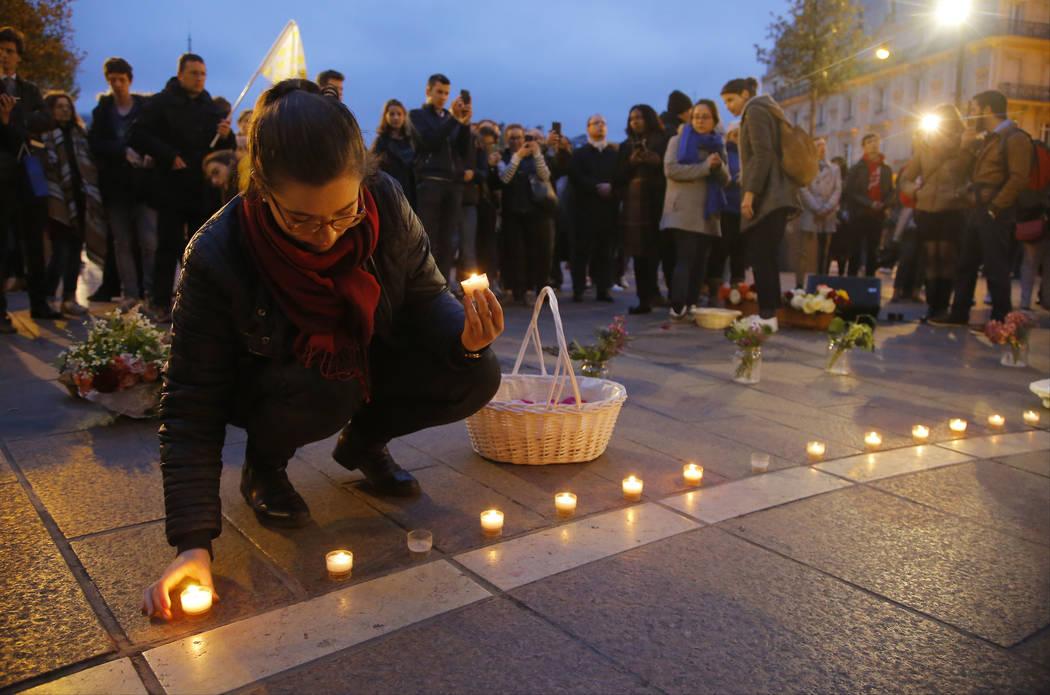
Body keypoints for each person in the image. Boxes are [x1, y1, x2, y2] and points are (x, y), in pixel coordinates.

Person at [141, 80, 503, 621]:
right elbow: (191, 398)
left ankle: (363, 441)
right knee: (328, 386)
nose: (328, 236)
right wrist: (193, 543)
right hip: (275, 380)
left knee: (478, 372)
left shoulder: (384, 200)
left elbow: (426, 296)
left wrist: (465, 341)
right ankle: (265, 467)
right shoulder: (218, 252)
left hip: (365, 353)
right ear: (261, 189)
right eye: (302, 219)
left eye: (342, 213)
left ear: (364, 180)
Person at [129, 53, 235, 323]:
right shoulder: (160, 103)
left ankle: (197, 300)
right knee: (167, 246)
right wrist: (167, 154)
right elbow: (137, 135)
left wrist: (227, 135)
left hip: (202, 190)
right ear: (180, 75)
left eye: (203, 73)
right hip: (170, 187)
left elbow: (224, 152)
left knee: (202, 247)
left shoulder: (210, 108)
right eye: (194, 73)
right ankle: (160, 301)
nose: (200, 78)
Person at [941, 89, 1034, 325]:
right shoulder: (987, 139)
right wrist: (965, 146)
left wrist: (995, 207)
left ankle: (1001, 320)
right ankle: (958, 313)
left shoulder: (1016, 138)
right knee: (966, 264)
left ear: (988, 110)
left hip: (996, 212)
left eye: (973, 110)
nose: (971, 116)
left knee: (995, 268)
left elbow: (1019, 178)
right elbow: (959, 171)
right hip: (977, 209)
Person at [721, 77, 799, 331]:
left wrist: (749, 193)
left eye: (731, 100)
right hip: (778, 194)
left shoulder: (754, 110)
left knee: (761, 255)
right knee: (766, 256)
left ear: (745, 93)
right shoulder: (768, 109)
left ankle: (767, 316)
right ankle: (770, 314)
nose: (729, 107)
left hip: (768, 197)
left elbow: (763, 153)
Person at [0, 26, 62, 329]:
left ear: (19, 56)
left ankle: (40, 303)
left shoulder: (28, 90)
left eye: (10, 50)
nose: (4, 55)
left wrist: (14, 118)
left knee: (36, 239)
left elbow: (46, 120)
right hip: (3, 173)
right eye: (0, 49)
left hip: (31, 170)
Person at [88, 57, 158, 310]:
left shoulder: (144, 108)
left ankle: (150, 292)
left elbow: (155, 136)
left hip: (143, 186)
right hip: (116, 187)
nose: (117, 84)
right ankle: (130, 292)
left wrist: (150, 153)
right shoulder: (103, 110)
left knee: (149, 241)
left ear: (129, 80)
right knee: (122, 242)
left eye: (121, 79)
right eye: (112, 80)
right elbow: (95, 142)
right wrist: (122, 151)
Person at [897, 104, 972, 321]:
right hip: (926, 209)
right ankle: (932, 305)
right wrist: (916, 191)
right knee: (931, 258)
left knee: (946, 257)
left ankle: (942, 306)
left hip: (952, 209)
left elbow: (974, 178)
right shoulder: (925, 147)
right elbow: (906, 179)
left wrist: (961, 192)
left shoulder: (965, 149)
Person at [660, 100, 730, 319]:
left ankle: (691, 303)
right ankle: (678, 305)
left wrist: (717, 168)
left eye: (705, 116)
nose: (700, 120)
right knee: (685, 258)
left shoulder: (718, 144)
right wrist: (704, 167)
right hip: (682, 211)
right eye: (696, 116)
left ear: (714, 120)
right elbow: (671, 170)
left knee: (701, 261)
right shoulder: (678, 140)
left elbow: (726, 180)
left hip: (708, 212)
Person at [40, 91, 105, 315]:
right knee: (59, 252)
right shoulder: (46, 136)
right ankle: (48, 296)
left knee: (76, 252)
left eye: (68, 106)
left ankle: (69, 297)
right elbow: (47, 169)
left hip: (80, 199)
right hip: (58, 200)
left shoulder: (78, 133)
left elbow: (87, 166)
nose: (65, 110)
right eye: (59, 106)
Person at [409, 74, 472, 283]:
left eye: (446, 93)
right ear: (428, 91)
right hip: (430, 182)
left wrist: (463, 125)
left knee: (448, 240)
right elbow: (430, 142)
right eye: (439, 92)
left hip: (452, 185)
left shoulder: (450, 117)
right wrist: (453, 119)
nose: (444, 97)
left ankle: (443, 285)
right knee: (428, 238)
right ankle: (425, 284)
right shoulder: (416, 115)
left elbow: (464, 152)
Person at [614, 104, 668, 314]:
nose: (635, 122)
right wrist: (630, 162)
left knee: (656, 253)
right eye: (631, 118)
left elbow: (670, 168)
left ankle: (657, 294)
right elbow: (617, 177)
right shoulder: (626, 145)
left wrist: (656, 160)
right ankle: (644, 298)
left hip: (657, 204)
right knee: (639, 254)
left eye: (639, 117)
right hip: (634, 210)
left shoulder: (663, 140)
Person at [497, 124, 552, 304]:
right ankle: (511, 290)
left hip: (532, 211)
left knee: (531, 253)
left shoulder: (534, 158)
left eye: (519, 137)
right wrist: (516, 158)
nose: (516, 141)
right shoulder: (504, 157)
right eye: (512, 138)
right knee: (512, 253)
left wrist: (536, 154)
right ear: (506, 139)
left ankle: (529, 290)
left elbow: (545, 176)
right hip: (511, 212)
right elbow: (504, 178)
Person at [569, 114, 619, 302]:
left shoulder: (614, 154)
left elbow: (619, 176)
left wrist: (611, 187)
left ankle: (603, 289)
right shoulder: (580, 153)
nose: (600, 126)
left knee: (605, 252)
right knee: (581, 251)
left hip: (607, 210)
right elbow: (575, 176)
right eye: (596, 123)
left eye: (603, 123)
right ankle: (578, 289)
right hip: (584, 210)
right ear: (588, 127)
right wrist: (596, 186)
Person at [843, 134, 893, 277]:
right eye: (869, 142)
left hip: (877, 216)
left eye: (876, 141)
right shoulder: (857, 168)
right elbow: (850, 191)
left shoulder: (886, 169)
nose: (873, 145)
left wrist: (884, 204)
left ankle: (870, 284)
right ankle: (851, 283)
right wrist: (870, 203)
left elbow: (891, 191)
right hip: (859, 214)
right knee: (855, 251)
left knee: (873, 251)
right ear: (864, 147)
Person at [705, 121, 747, 290]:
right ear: (729, 136)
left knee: (739, 248)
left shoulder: (747, 154)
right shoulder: (724, 152)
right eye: (735, 135)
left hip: (742, 208)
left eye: (741, 135)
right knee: (722, 248)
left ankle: (738, 286)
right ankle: (715, 284)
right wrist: (736, 177)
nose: (738, 139)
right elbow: (720, 175)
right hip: (726, 206)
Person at [795, 136, 841, 286]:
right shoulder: (805, 166)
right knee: (804, 252)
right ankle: (799, 285)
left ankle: (822, 284)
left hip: (827, 216)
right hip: (810, 213)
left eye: (823, 145)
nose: (821, 148)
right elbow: (802, 188)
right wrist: (816, 207)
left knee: (824, 252)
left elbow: (837, 189)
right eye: (817, 145)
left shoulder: (834, 169)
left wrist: (827, 208)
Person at [370, 99, 417, 208]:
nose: (396, 117)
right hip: (390, 192)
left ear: (404, 116)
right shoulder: (380, 142)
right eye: (392, 114)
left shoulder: (412, 141)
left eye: (399, 114)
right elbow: (372, 167)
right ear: (385, 116)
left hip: (411, 192)